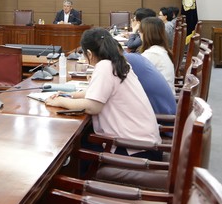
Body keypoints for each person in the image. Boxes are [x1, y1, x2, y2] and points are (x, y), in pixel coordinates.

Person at [46, 28, 161, 161]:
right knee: (83, 137)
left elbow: (92, 107)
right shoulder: (119, 63)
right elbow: (101, 92)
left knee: (73, 148)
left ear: (89, 54)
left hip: (134, 150)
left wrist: (60, 101)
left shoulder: (104, 66)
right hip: (147, 145)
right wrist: (71, 95)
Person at [139, 17, 176, 92]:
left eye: (139, 31)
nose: (139, 34)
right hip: (164, 95)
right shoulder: (161, 50)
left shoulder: (152, 54)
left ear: (145, 34)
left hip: (159, 97)